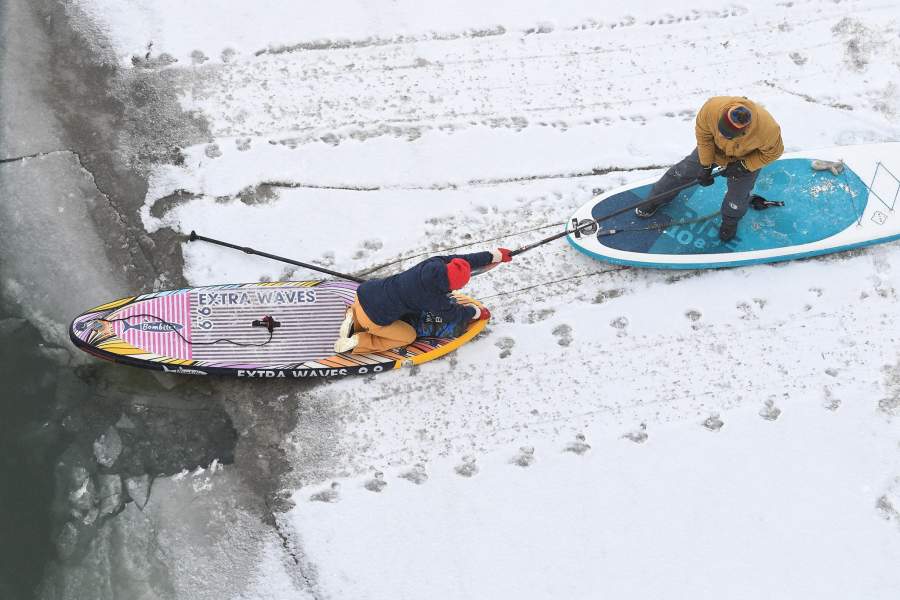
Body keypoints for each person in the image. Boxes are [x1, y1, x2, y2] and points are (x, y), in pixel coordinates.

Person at [635, 96, 784, 241]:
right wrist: (705, 167)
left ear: (745, 130)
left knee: (737, 197)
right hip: (714, 150)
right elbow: (704, 138)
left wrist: (744, 166)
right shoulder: (711, 108)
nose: (722, 135)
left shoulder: (767, 130)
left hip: (745, 158)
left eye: (728, 135)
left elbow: (774, 152)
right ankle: (655, 199)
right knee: (683, 172)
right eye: (721, 130)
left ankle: (730, 222)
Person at [334, 248, 512, 354]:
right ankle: (358, 341)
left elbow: (464, 260)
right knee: (407, 336)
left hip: (364, 293)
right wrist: (476, 312)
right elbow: (453, 315)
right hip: (374, 319)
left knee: (390, 302)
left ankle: (352, 316)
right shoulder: (433, 298)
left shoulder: (433, 263)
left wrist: (493, 255)